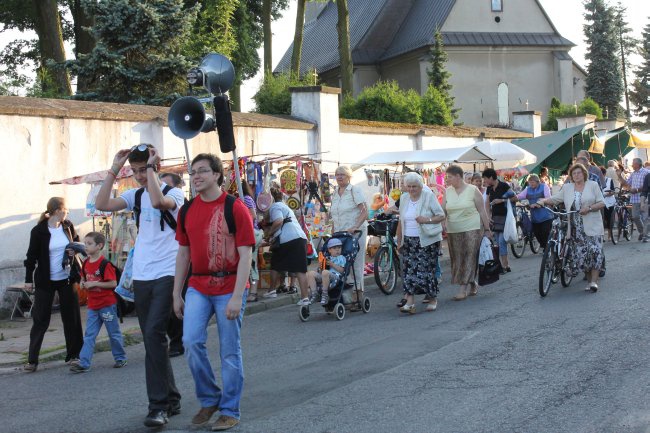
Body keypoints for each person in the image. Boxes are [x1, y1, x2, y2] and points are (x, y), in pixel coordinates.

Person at [95, 143, 184, 427]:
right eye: (134, 171)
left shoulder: (175, 193)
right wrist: (114, 169)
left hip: (167, 272)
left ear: (155, 166)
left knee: (155, 332)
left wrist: (152, 171)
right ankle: (171, 398)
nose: (139, 176)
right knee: (152, 338)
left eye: (142, 169)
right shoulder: (134, 195)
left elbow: (158, 203)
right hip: (142, 275)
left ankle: (157, 406)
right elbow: (102, 205)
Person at [173, 153, 255, 431]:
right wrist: (176, 293)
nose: (196, 176)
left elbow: (246, 256)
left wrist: (236, 295)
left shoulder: (235, 207)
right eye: (193, 172)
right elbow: (183, 254)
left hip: (229, 285)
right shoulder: (186, 210)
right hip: (197, 285)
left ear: (218, 175)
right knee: (191, 342)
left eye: (202, 171)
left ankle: (230, 409)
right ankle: (209, 398)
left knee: (229, 350)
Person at [23, 197, 84, 372]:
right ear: (57, 211)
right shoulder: (38, 231)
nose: (68, 212)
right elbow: (31, 257)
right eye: (66, 209)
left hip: (67, 279)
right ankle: (32, 361)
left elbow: (77, 243)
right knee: (41, 320)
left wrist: (74, 249)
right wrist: (28, 280)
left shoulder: (68, 226)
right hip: (45, 281)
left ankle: (74, 355)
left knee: (71, 318)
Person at [539, 163, 606, 292]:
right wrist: (542, 201)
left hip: (592, 224)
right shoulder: (567, 187)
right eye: (574, 173)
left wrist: (590, 208)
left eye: (579, 173)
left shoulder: (593, 185)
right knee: (582, 255)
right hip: (575, 227)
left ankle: (594, 282)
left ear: (584, 174)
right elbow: (555, 199)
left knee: (595, 252)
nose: (576, 175)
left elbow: (602, 202)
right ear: (571, 176)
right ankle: (588, 280)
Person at [70, 232, 127, 373]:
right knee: (89, 335)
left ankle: (120, 358)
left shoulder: (105, 264)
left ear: (99, 246)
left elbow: (113, 283)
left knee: (113, 333)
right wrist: (83, 284)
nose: (86, 246)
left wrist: (95, 284)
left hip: (107, 305)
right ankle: (84, 363)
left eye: (89, 244)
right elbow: (83, 278)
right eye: (85, 243)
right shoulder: (85, 264)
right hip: (92, 306)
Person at [395, 172, 445, 314]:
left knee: (426, 270)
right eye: (409, 186)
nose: (411, 189)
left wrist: (427, 220)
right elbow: (401, 221)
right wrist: (399, 241)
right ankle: (410, 302)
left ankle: (432, 298)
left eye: (414, 186)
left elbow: (441, 215)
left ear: (420, 186)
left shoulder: (428, 196)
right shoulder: (404, 198)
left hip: (427, 240)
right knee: (409, 270)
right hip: (409, 240)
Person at [443, 165, 492, 300]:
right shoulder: (448, 191)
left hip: (472, 228)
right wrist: (442, 223)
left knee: (469, 257)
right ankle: (472, 282)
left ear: (458, 176)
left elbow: (482, 210)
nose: (447, 180)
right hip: (453, 230)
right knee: (458, 259)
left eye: (450, 177)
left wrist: (487, 230)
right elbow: (443, 210)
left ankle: (462, 289)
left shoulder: (473, 190)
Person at [266, 186, 311, 306]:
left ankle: (272, 290)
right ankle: (304, 298)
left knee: (276, 264)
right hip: (299, 237)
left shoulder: (275, 207)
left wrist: (269, 233)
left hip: (288, 238)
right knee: (299, 268)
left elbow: (279, 221)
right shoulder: (285, 206)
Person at [330, 166, 369, 295]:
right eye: (337, 174)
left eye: (342, 174)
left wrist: (356, 226)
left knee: (356, 262)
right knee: (342, 262)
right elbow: (335, 215)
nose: (339, 177)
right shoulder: (335, 192)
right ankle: (346, 292)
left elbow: (364, 211)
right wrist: (333, 233)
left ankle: (358, 293)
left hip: (355, 233)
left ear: (349, 176)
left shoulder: (355, 190)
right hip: (340, 234)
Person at [160, 171, 186, 357]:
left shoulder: (177, 202)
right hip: (156, 263)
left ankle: (178, 342)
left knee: (174, 302)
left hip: (177, 259)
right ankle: (174, 339)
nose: (162, 190)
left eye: (166, 187)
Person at [482, 168, 514, 273]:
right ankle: (504, 264)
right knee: (498, 242)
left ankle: (505, 265)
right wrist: (488, 216)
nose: (485, 181)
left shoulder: (504, 186)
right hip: (495, 218)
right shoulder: (489, 188)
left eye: (485, 178)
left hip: (505, 217)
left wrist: (501, 200)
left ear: (491, 177)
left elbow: (515, 198)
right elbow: (487, 203)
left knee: (501, 241)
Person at [237, 181, 263, 303]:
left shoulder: (245, 198)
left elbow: (252, 215)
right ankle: (250, 291)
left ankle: (253, 292)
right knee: (250, 262)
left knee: (250, 262)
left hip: (251, 232)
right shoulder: (246, 198)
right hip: (253, 232)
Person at [515, 174, 554, 249]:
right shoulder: (528, 189)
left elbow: (548, 198)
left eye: (532, 182)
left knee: (545, 232)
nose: (531, 184)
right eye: (530, 182)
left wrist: (539, 203)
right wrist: (513, 198)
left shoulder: (544, 187)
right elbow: (520, 196)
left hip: (546, 216)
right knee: (537, 233)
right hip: (535, 217)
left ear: (537, 182)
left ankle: (547, 249)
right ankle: (544, 247)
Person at [616, 158, 649, 241]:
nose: (631, 165)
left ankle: (645, 235)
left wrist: (637, 190)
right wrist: (619, 176)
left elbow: (647, 186)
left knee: (645, 218)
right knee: (635, 217)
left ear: (637, 164)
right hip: (634, 199)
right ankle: (642, 232)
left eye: (633, 163)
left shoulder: (646, 172)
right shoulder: (633, 174)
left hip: (644, 198)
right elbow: (626, 184)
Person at [306, 238, 346, 305]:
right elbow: (321, 271)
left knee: (325, 272)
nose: (337, 249)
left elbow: (342, 271)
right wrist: (321, 266)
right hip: (325, 277)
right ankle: (314, 294)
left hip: (336, 277)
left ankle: (325, 294)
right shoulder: (327, 258)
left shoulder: (341, 258)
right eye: (335, 248)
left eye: (339, 247)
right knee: (310, 273)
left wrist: (332, 264)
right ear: (329, 250)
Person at [600, 166, 617, 241]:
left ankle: (609, 236)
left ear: (604, 174)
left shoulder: (609, 180)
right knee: (601, 219)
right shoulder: (596, 181)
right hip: (600, 203)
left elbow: (613, 191)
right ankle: (602, 236)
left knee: (609, 219)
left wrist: (606, 194)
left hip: (609, 202)